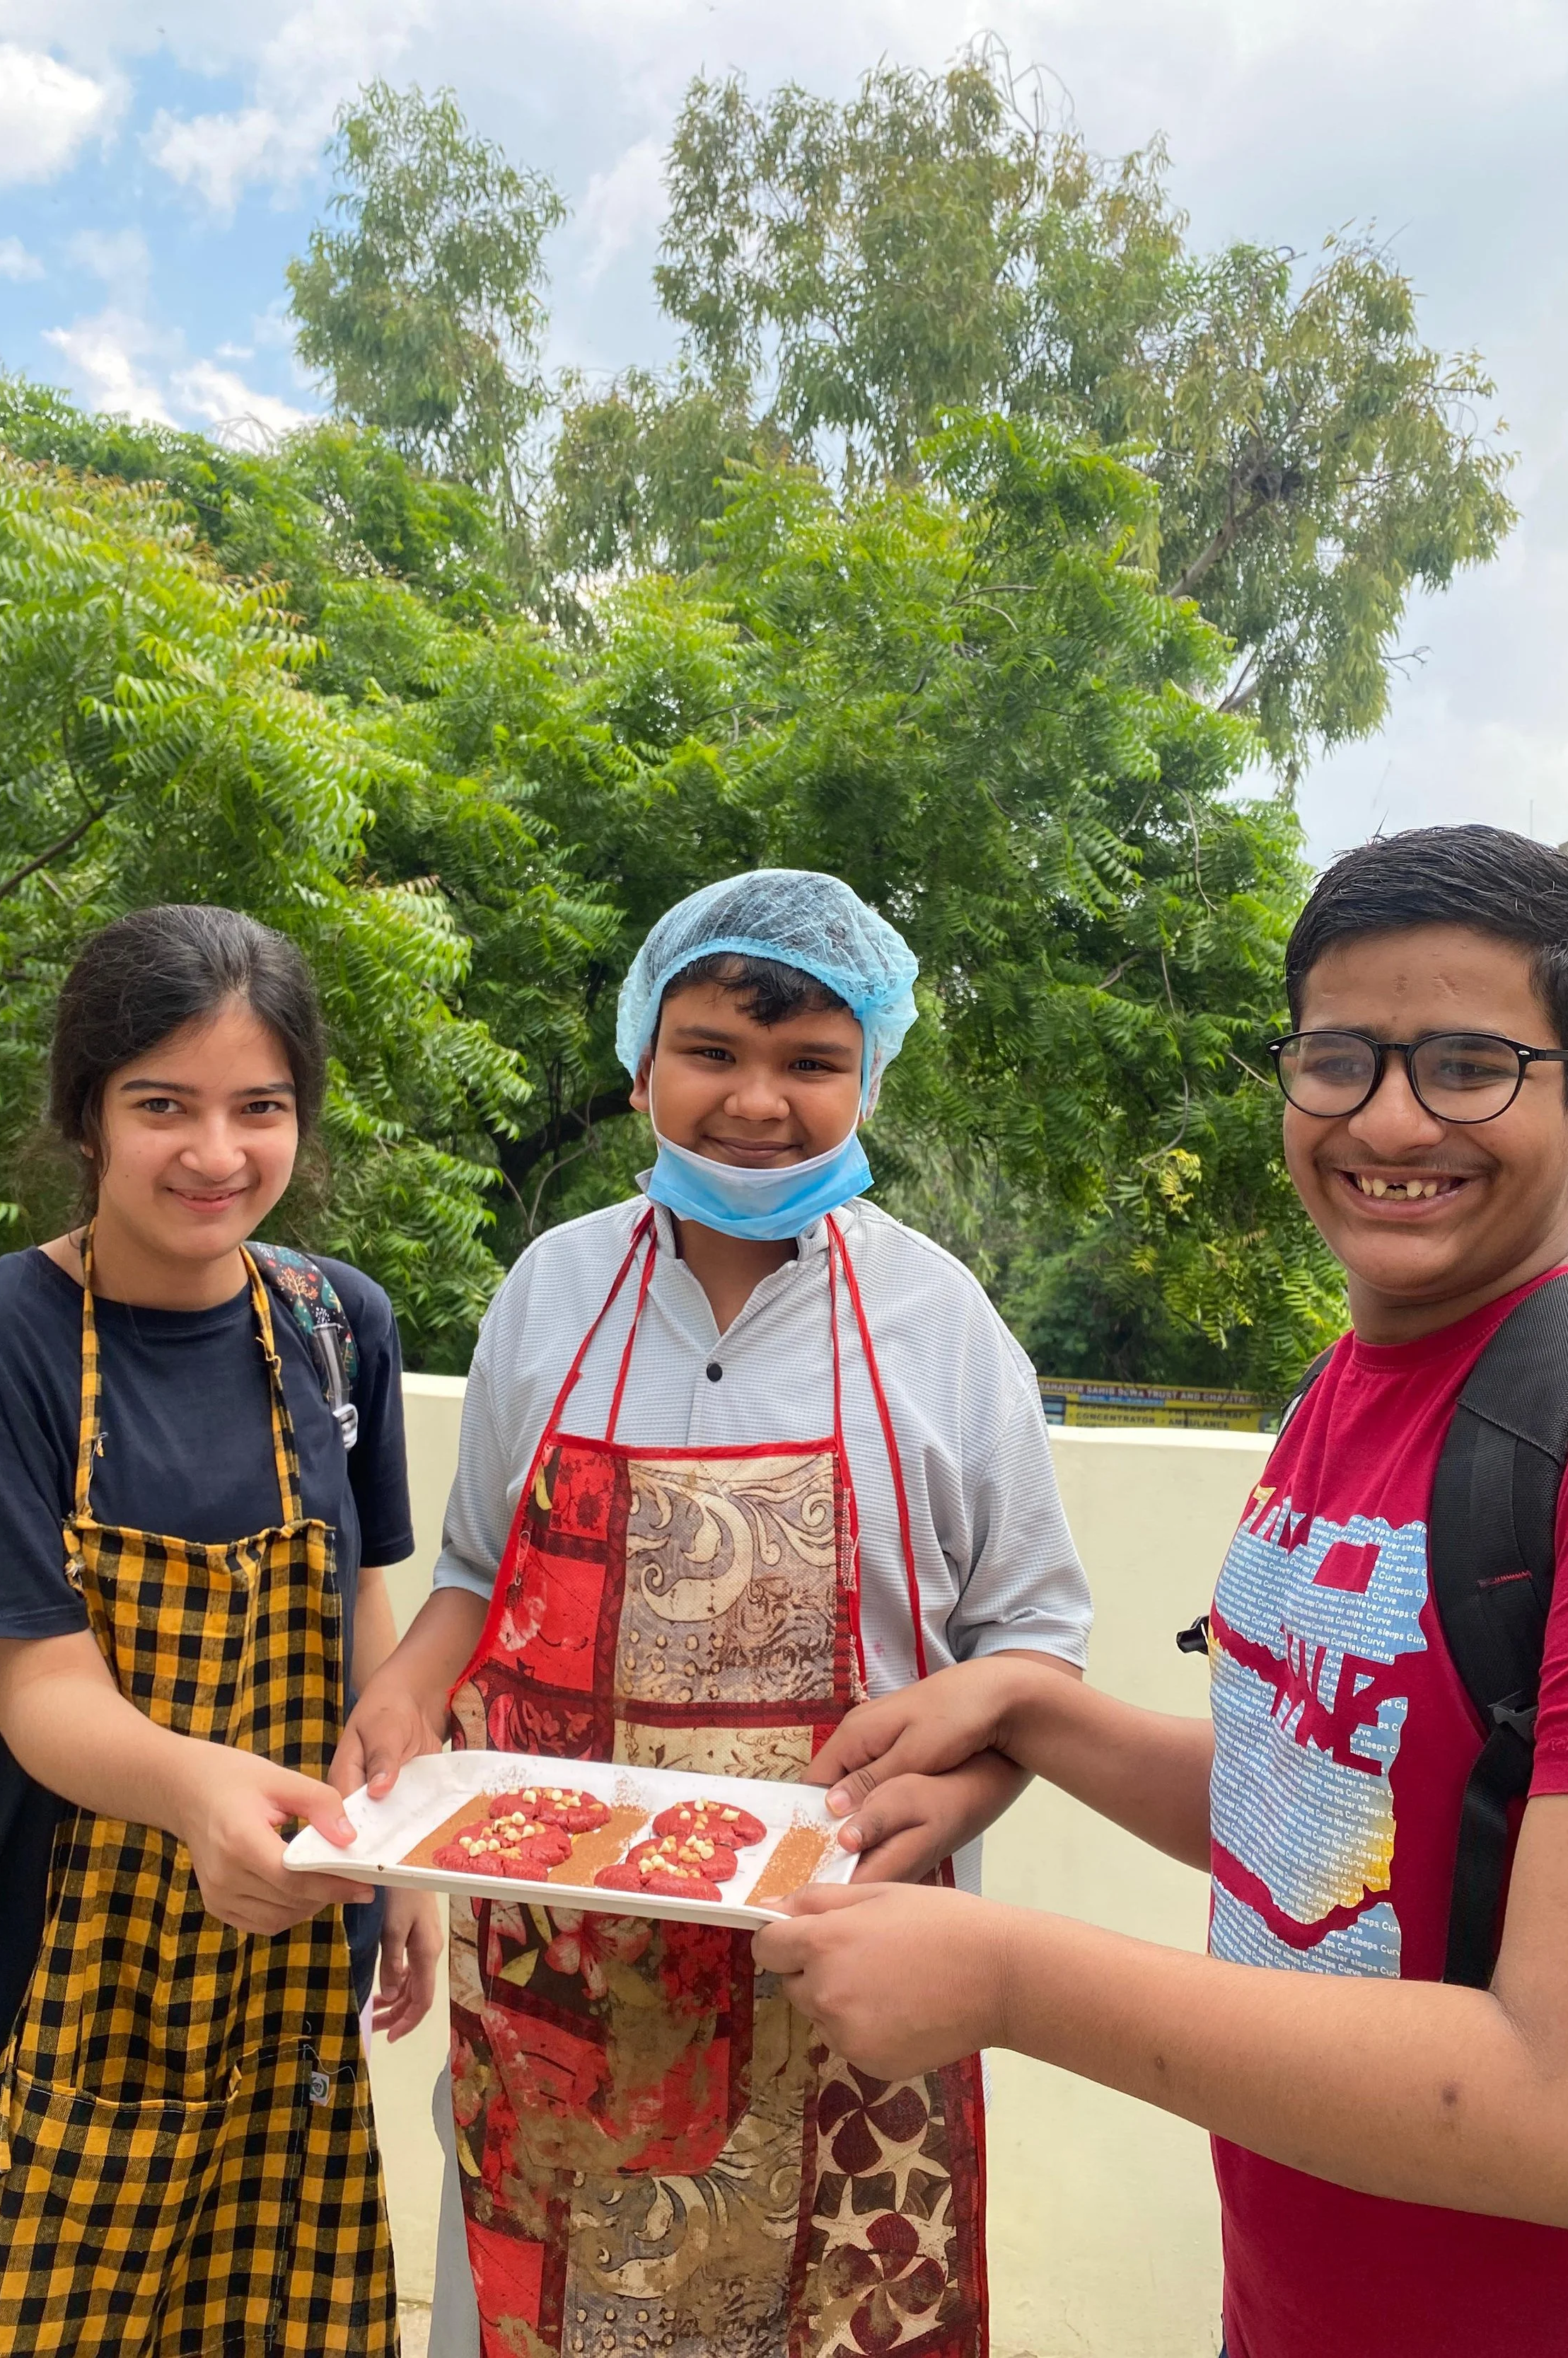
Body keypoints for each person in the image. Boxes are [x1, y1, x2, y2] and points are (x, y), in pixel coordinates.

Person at [755, 824, 1568, 2358]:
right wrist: (1034, 1707)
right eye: (1339, 1058)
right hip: (1297, 2301)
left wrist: (1012, 1979)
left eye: (1466, 1063)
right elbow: (1332, 1812)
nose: (1387, 1115)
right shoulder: (1346, 1387)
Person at [335, 867, 1093, 2358]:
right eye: (712, 1052)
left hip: (850, 1960)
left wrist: (949, 1808)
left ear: (866, 1075)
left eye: (810, 1061)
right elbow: (475, 1573)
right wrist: (408, 1698)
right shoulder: (547, 1290)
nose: (757, 1100)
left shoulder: (941, 1324)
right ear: (639, 1067)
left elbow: (1028, 1651)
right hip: (565, 1973)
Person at [0, 904, 440, 2355]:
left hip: (278, 1930)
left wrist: (408, 1846)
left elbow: (359, 1606)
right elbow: (35, 1686)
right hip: (18, 1937)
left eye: (261, 1107)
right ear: (85, 1115)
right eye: (161, 1105)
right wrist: (202, 1794)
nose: (216, 1152)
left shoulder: (333, 1322)